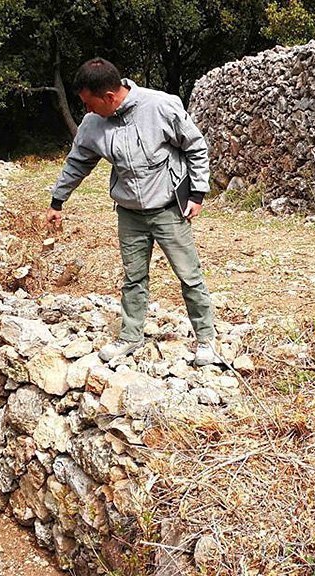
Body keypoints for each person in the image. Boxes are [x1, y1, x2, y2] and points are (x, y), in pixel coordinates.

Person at [45, 57, 218, 366]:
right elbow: (77, 163)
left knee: (189, 276)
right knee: (134, 278)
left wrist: (197, 193)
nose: (86, 110)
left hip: (168, 209)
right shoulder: (93, 124)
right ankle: (130, 336)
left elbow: (195, 147)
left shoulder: (161, 106)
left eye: (89, 103)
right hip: (129, 213)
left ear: (109, 97)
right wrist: (58, 200)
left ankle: (206, 339)